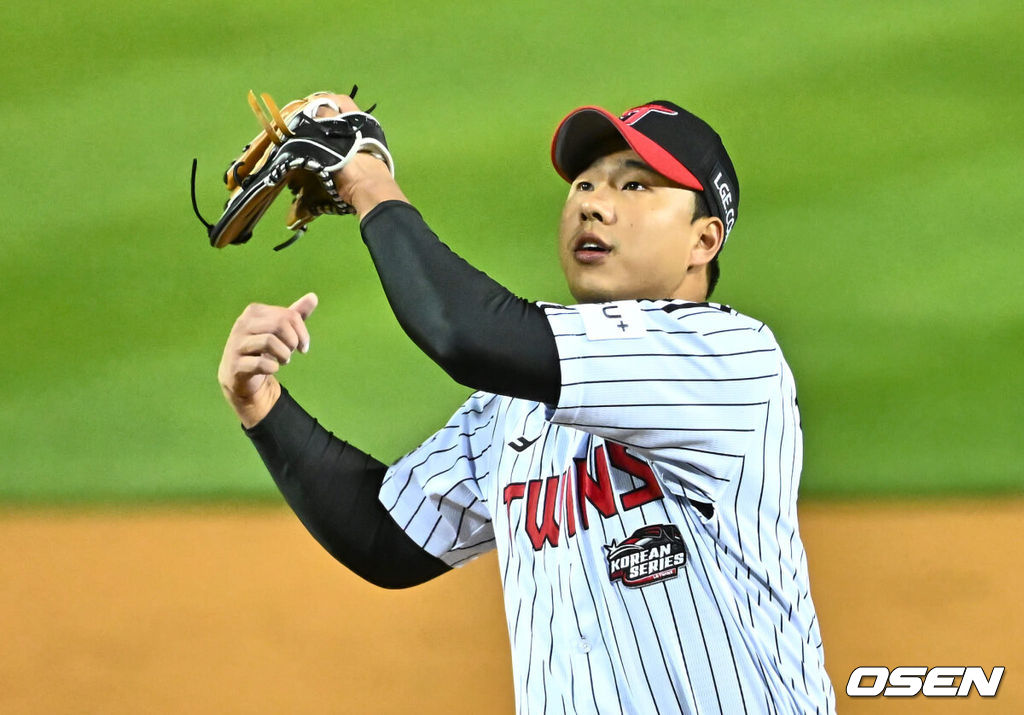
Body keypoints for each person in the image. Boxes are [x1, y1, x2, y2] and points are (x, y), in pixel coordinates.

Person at [218, 92, 836, 714]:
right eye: (586, 184)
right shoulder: (517, 410)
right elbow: (386, 539)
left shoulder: (728, 359)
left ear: (704, 240)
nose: (593, 202)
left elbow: (463, 332)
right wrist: (261, 404)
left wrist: (367, 177)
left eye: (635, 187)